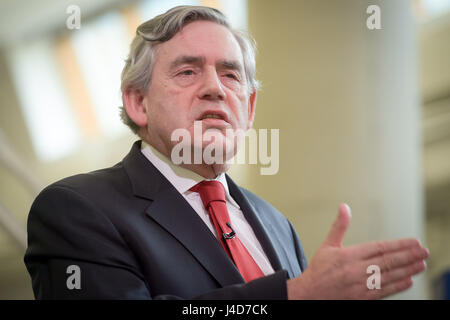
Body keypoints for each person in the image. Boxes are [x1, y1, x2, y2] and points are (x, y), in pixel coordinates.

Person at [24, 6, 429, 300]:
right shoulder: (74, 209)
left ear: (249, 109)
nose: (215, 88)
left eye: (231, 74)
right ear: (138, 103)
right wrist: (293, 296)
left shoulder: (277, 225)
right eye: (187, 72)